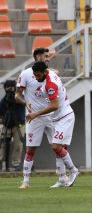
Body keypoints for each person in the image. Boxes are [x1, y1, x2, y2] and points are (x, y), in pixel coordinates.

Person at [25, 61, 79, 188]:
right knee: (58, 148)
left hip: (64, 117)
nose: (36, 78)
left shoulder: (50, 84)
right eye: (35, 75)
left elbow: (55, 105)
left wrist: (36, 113)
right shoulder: (51, 74)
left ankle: (73, 170)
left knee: (56, 146)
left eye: (38, 75)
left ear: (44, 72)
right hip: (58, 118)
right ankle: (61, 179)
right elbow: (55, 73)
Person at [15, 48, 62, 189]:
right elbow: (16, 95)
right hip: (34, 117)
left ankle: (62, 177)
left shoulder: (51, 74)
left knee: (59, 147)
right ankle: (25, 182)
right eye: (45, 56)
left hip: (51, 116)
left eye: (48, 55)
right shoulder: (25, 74)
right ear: (37, 56)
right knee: (31, 149)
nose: (48, 58)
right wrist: (25, 102)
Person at [0, 80, 25, 171]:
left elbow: (24, 102)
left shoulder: (19, 96)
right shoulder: (5, 99)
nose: (9, 89)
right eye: (7, 87)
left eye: (11, 87)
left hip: (19, 124)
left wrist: (16, 97)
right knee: (2, 144)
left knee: (18, 145)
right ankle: (1, 162)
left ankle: (16, 163)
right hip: (7, 124)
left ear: (15, 87)